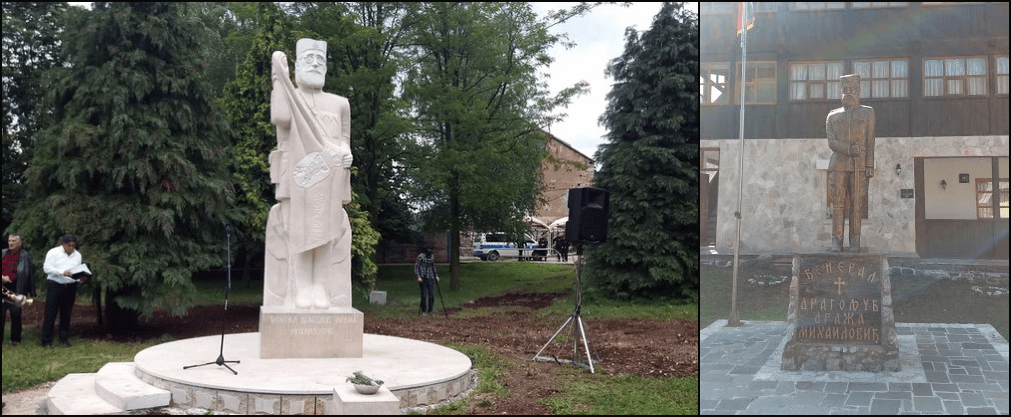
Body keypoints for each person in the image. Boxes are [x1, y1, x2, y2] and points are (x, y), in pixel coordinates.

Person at [263, 38, 354, 310]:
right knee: (300, 231)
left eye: (320, 60)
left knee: (325, 232)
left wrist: (346, 151)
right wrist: (279, 77)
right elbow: (280, 117)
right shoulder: (291, 97)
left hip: (330, 177)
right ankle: (302, 287)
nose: (315, 64)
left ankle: (320, 288)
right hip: (299, 175)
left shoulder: (340, 103)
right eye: (309, 59)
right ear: (298, 64)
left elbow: (345, 137)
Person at [826, 74, 875, 252]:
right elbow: (831, 142)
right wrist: (849, 149)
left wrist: (869, 165)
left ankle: (855, 241)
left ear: (858, 91)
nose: (848, 93)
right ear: (840, 92)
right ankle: (836, 242)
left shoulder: (867, 113)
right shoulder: (832, 116)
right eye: (845, 90)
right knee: (838, 205)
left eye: (852, 90)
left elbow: (870, 140)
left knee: (857, 205)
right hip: (838, 165)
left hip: (859, 166)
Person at [41, 235, 84, 348]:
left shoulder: (78, 255)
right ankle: (46, 340)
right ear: (63, 244)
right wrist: (61, 272)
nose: (71, 248)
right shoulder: (53, 252)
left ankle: (63, 338)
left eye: (73, 245)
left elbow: (77, 270)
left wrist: (81, 278)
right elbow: (47, 268)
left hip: (70, 286)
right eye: (69, 245)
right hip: (55, 285)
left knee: (66, 313)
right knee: (51, 313)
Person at [3, 233, 37, 347]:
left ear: (20, 243)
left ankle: (15, 340)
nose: (11, 243)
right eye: (9, 241)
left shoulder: (24, 256)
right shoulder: (3, 253)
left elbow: (27, 274)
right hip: (2, 287)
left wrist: (29, 291)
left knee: (16, 314)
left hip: (16, 288)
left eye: (14, 241)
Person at [414, 245, 439, 316]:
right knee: (424, 295)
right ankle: (423, 310)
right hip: (423, 278)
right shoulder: (420, 257)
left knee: (431, 295)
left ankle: (430, 310)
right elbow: (416, 267)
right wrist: (418, 276)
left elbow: (433, 266)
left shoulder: (431, 257)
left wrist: (436, 275)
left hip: (430, 277)